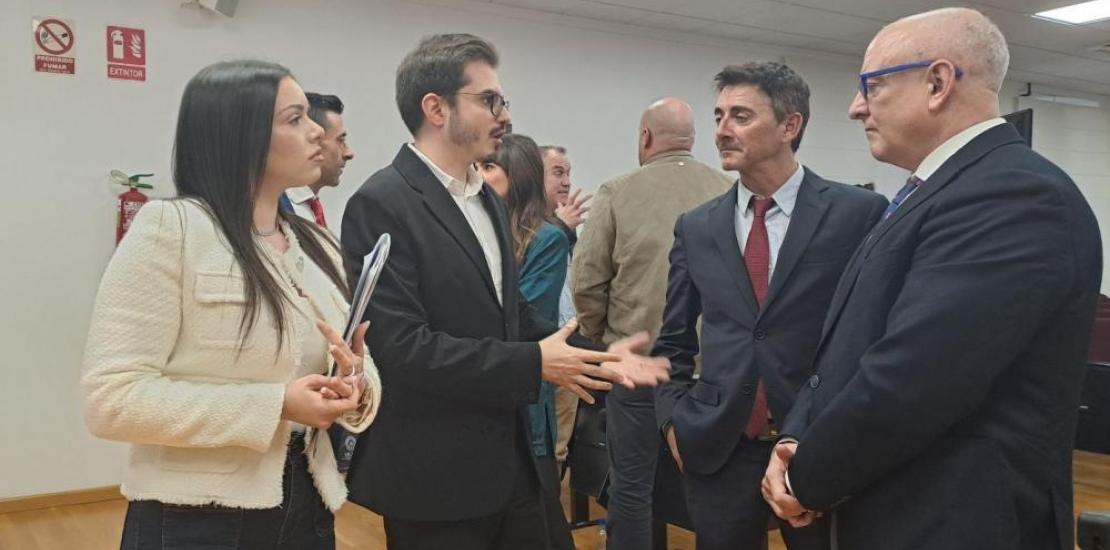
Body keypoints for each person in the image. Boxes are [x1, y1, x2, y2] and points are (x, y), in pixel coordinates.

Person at [762, 8, 1103, 550]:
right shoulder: (930, 193)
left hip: (953, 522)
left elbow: (914, 378)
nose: (856, 108)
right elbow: (844, 352)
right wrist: (797, 436)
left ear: (938, 82)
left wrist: (807, 478)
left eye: (871, 86)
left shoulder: (1014, 195)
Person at [340, 34, 669, 550]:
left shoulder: (485, 200)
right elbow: (403, 349)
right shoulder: (381, 202)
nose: (504, 114)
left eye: (504, 101)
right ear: (436, 108)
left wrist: (597, 358)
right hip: (436, 477)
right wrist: (535, 364)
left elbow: (511, 314)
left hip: (512, 461)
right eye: (488, 100)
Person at [82, 60, 381, 550]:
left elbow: (357, 360)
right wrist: (277, 404)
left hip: (310, 499)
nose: (317, 134)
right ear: (236, 133)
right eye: (294, 119)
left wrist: (355, 386)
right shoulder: (172, 229)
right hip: (195, 517)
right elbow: (111, 400)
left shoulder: (317, 243)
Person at [652, 63, 887, 550]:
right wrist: (674, 421)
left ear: (790, 125)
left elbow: (873, 334)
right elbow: (672, 339)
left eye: (740, 116)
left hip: (818, 442)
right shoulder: (696, 227)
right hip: (720, 448)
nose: (721, 130)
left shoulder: (858, 214)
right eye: (718, 116)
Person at [570, 97, 733, 549]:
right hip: (713, 371)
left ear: (645, 138)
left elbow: (587, 279)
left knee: (632, 486)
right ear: (692, 141)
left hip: (638, 365)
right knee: (714, 488)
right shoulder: (729, 191)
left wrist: (604, 339)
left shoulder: (617, 192)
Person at [480, 133, 574, 550]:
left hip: (527, 386)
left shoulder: (548, 238)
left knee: (538, 513)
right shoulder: (483, 228)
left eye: (488, 167)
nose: (477, 176)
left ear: (515, 176)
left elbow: (522, 315)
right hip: (489, 383)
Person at [280, 92, 354, 229]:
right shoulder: (274, 213)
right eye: (340, 140)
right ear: (314, 140)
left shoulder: (311, 208)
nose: (349, 153)